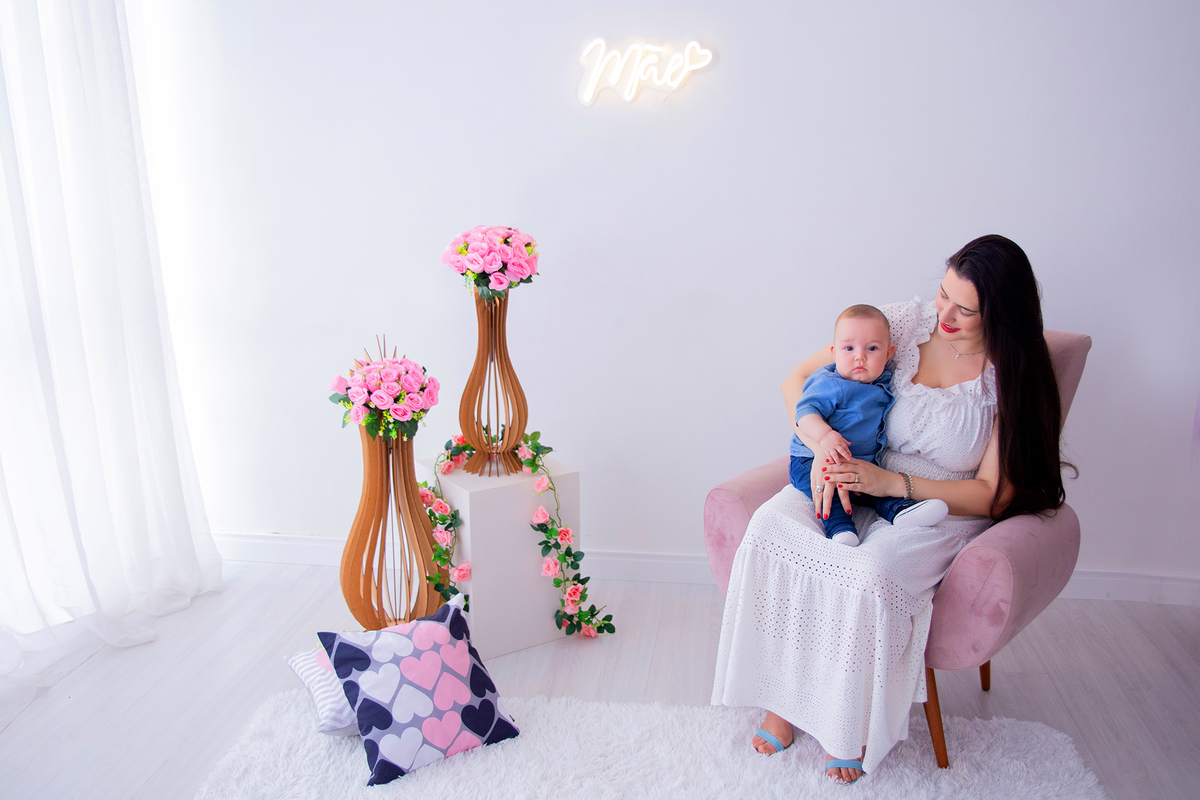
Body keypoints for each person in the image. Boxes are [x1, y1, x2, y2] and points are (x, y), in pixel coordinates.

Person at [711, 235, 1068, 785]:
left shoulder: (1011, 376)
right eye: (943, 293)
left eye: (964, 309)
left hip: (938, 506)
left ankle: (846, 724)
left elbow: (991, 494)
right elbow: (796, 382)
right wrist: (825, 441)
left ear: (1000, 314)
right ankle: (783, 701)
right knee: (772, 528)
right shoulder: (903, 324)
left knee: (868, 568)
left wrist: (893, 483)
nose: (942, 314)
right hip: (854, 468)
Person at [790, 304, 949, 546]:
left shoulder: (882, 382)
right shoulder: (829, 382)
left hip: (860, 463)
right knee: (831, 490)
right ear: (834, 352)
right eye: (848, 348)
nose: (860, 356)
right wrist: (825, 437)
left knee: (873, 490)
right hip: (810, 460)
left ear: (888, 354)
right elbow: (804, 414)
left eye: (872, 348)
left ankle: (900, 510)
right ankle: (839, 528)